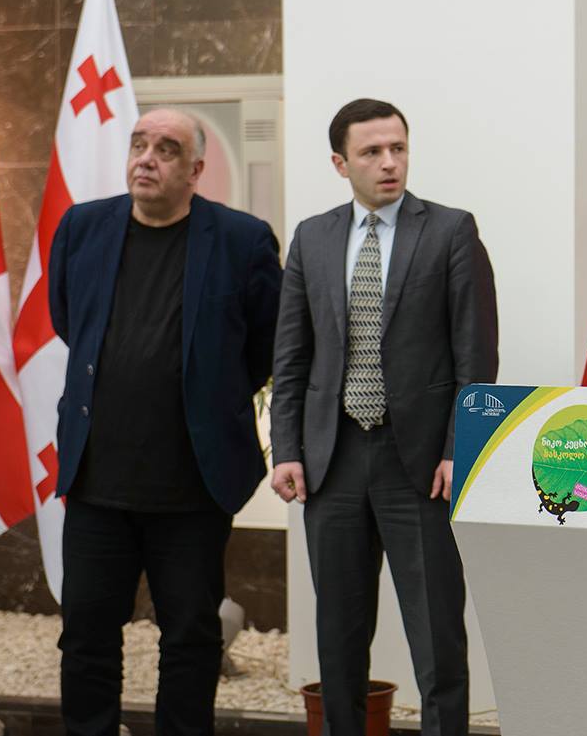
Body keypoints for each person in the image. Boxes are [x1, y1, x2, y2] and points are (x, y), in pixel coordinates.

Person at [48, 108, 282, 736]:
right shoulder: (82, 227)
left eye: (167, 149)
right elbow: (70, 320)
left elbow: (265, 345)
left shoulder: (242, 240)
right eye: (139, 145)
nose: (147, 159)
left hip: (192, 486)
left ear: (196, 170)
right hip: (97, 482)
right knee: (87, 635)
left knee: (191, 637)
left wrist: (206, 395)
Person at [270, 98, 498, 736]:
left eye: (398, 148)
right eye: (371, 152)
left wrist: (460, 449)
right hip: (332, 461)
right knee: (338, 638)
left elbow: (476, 356)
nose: (389, 162)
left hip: (420, 467)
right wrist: (286, 448)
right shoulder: (312, 238)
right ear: (340, 163)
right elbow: (291, 356)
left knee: (437, 637)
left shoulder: (450, 230)